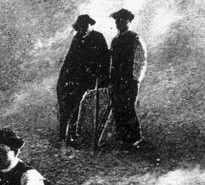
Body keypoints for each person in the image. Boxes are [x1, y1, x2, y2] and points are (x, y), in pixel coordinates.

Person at [56, 14, 110, 144]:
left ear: (90, 25)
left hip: (88, 77)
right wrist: (64, 75)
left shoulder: (98, 37)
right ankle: (68, 133)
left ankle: (69, 133)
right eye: (81, 27)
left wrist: (102, 76)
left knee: (74, 103)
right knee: (68, 103)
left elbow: (105, 59)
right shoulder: (77, 38)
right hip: (72, 76)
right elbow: (70, 58)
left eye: (85, 26)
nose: (83, 29)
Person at [108, 8, 148, 148]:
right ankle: (122, 138)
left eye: (123, 20)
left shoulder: (135, 38)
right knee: (117, 107)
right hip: (116, 79)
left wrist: (136, 78)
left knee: (128, 107)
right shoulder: (115, 41)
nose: (120, 23)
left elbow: (142, 59)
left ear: (129, 22)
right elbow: (112, 62)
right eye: (118, 20)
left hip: (130, 79)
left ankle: (135, 138)